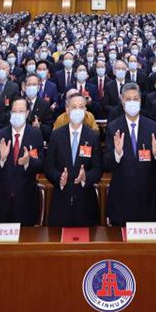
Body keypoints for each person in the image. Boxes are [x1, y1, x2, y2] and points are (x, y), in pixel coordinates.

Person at [103, 84, 156, 226]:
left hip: (149, 200)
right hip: (121, 200)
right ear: (122, 101)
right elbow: (106, 164)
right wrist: (117, 153)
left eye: (135, 99)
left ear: (140, 101)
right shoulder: (113, 127)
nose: (132, 102)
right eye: (128, 99)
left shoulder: (152, 126)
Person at [45, 93, 102, 226]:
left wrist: (86, 177)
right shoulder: (56, 135)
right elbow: (48, 168)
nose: (77, 110)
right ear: (67, 110)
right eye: (74, 107)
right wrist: (59, 177)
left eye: (81, 107)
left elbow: (98, 169)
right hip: (61, 203)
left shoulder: (93, 136)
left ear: (85, 110)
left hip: (86, 204)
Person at [0, 97, 44, 225]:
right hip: (0, 202)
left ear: (27, 113)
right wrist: (1, 159)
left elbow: (41, 165)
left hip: (26, 202)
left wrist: (28, 162)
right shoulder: (0, 135)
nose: (17, 114)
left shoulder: (35, 134)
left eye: (21, 111)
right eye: (14, 111)